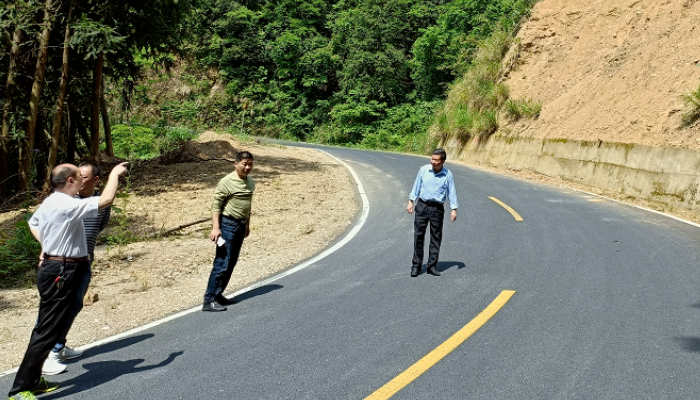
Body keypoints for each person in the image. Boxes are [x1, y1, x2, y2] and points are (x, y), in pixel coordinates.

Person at [7, 162, 128, 400]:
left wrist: (47, 247)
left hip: (65, 266)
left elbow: (34, 223)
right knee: (46, 331)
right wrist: (114, 174)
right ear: (70, 181)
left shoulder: (51, 201)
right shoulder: (65, 204)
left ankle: (33, 381)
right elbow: (105, 200)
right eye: (79, 177)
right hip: (62, 270)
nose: (83, 181)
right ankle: (19, 390)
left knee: (49, 330)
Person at [41, 162, 112, 375]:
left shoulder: (100, 203)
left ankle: (59, 345)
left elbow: (99, 227)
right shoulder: (67, 199)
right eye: (77, 176)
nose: (78, 180)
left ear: (95, 180)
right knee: (55, 307)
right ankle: (47, 354)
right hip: (63, 263)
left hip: (84, 261)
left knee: (75, 305)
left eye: (83, 177)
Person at [202, 151, 255, 312]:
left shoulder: (250, 181)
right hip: (227, 226)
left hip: (240, 225)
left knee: (231, 262)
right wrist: (216, 228)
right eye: (244, 164)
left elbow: (248, 205)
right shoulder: (226, 182)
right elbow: (216, 205)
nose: (247, 167)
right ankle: (208, 300)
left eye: (250, 164)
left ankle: (218, 295)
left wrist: (247, 225)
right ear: (236, 163)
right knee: (222, 262)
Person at [406, 148, 459, 277]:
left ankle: (432, 266)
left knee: (436, 238)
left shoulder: (447, 175)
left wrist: (454, 209)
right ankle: (416, 266)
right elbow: (416, 185)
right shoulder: (424, 170)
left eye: (436, 160)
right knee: (418, 236)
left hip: (437, 209)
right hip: (422, 206)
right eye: (432, 159)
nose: (433, 162)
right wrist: (411, 201)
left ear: (443, 161)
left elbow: (451, 191)